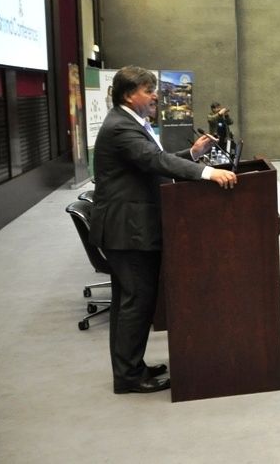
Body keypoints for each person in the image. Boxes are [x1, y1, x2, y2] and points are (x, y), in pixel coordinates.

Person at [89, 66, 237, 395]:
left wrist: (192, 155)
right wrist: (206, 173)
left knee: (132, 300)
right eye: (147, 89)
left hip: (129, 227)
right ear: (130, 95)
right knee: (136, 302)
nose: (155, 95)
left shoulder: (128, 121)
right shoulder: (121, 127)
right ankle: (128, 376)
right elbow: (154, 163)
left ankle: (131, 366)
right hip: (126, 230)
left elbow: (154, 159)